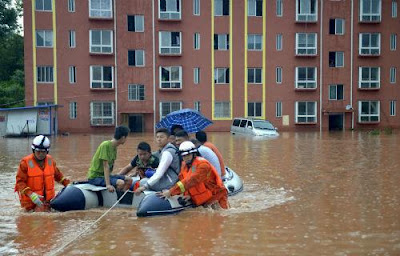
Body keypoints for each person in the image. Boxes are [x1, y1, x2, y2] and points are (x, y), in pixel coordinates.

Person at [158, 141, 228, 209]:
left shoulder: (203, 166)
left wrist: (171, 192)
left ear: (194, 154)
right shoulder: (185, 165)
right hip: (204, 198)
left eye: (188, 155)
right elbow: (183, 179)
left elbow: (191, 180)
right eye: (184, 156)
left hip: (216, 195)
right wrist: (188, 195)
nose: (186, 157)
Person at [15, 135, 71, 212]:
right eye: (38, 151)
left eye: (43, 152)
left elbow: (58, 176)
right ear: (33, 150)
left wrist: (69, 185)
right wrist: (31, 194)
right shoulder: (25, 163)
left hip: (48, 202)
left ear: (47, 151)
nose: (41, 154)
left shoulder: (50, 161)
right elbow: (19, 182)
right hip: (30, 203)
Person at [87, 126, 133, 192]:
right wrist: (108, 185)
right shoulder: (105, 145)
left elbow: (110, 167)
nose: (126, 139)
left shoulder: (115, 148)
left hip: (105, 176)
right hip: (95, 177)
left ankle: (122, 198)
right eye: (126, 137)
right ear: (123, 137)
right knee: (121, 183)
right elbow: (106, 166)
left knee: (129, 180)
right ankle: (115, 198)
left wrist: (114, 177)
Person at [134, 128, 180, 193]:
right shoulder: (169, 149)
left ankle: (153, 199)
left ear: (168, 139)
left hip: (171, 182)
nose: (159, 139)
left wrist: (144, 186)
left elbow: (159, 173)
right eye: (157, 137)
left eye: (161, 137)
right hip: (172, 179)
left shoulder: (167, 153)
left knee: (143, 182)